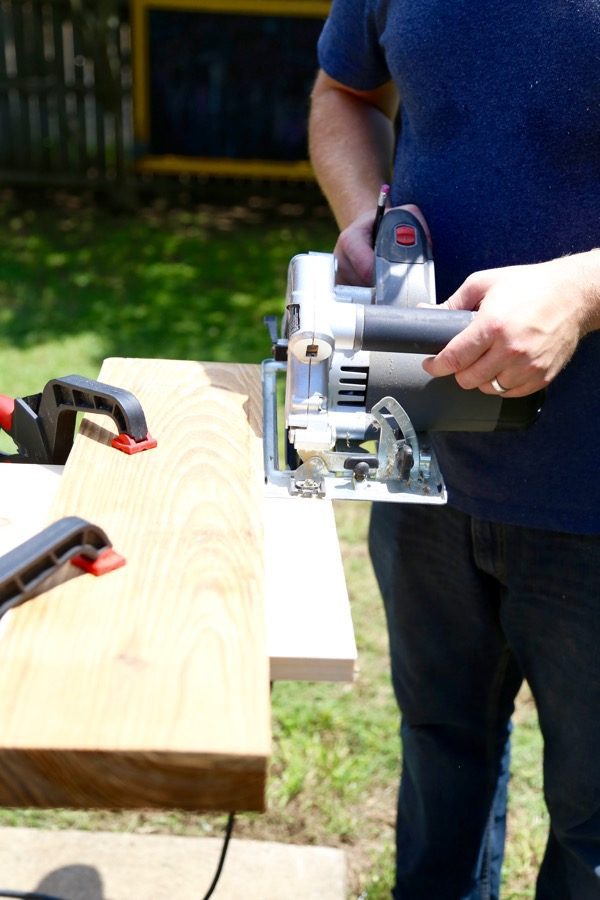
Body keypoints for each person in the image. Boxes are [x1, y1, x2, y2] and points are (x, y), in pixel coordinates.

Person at [308, 3, 600, 898]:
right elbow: (342, 92)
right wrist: (365, 212)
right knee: (440, 765)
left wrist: (583, 289)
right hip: (421, 465)